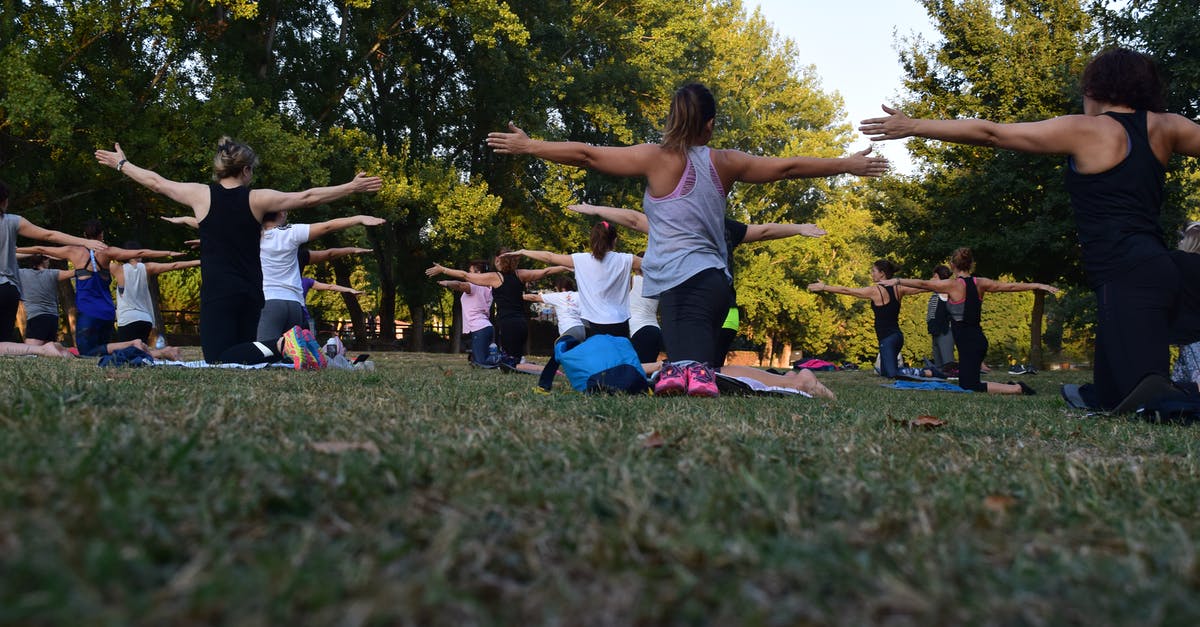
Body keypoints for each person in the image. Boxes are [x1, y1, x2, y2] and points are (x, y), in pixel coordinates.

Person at [488, 83, 887, 397]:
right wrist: (846, 165)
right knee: (689, 372)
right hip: (714, 285)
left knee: (693, 375)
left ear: (672, 119)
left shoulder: (656, 158)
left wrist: (530, 146)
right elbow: (787, 167)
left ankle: (795, 383)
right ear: (709, 124)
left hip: (686, 286)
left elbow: (588, 155)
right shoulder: (725, 162)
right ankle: (789, 382)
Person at [860, 47, 1200, 411]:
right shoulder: (1169, 126)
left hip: (1129, 280)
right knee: (1111, 395)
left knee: (1147, 401)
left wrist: (914, 126)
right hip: (1155, 272)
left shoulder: (1087, 129)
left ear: (1095, 89)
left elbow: (992, 133)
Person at [95, 138, 382, 361]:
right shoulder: (258, 199)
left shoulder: (200, 194)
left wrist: (123, 164)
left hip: (220, 292)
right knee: (247, 354)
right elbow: (307, 198)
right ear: (245, 170)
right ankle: (300, 349)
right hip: (252, 291)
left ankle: (284, 344)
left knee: (218, 357)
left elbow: (156, 183)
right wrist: (350, 187)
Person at [569, 202, 828, 365]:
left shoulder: (679, 226)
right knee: (710, 367)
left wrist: (597, 210)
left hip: (695, 308)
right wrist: (798, 227)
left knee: (693, 366)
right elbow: (764, 231)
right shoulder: (727, 227)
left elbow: (635, 220)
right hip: (729, 309)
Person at [880, 247, 1059, 395]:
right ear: (971, 264)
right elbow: (1010, 286)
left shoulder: (951, 285)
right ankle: (1011, 386)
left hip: (969, 342)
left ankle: (1018, 388)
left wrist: (896, 281)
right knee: (968, 381)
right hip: (975, 340)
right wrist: (1038, 285)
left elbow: (923, 284)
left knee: (969, 385)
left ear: (952, 265)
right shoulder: (981, 282)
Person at [19, 220, 184, 357]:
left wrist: (15, 250)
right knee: (103, 351)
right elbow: (139, 251)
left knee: (87, 352)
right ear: (101, 235)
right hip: (107, 312)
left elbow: (40, 249)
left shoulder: (73, 251)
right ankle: (160, 352)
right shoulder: (108, 252)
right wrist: (169, 252)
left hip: (88, 313)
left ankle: (133, 344)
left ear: (84, 236)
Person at [0, 181, 107, 342]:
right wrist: (84, 242)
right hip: (9, 290)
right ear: (4, 201)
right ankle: (49, 349)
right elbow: (49, 235)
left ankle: (45, 350)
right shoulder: (13, 221)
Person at [426, 250, 569, 365]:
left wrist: (443, 269)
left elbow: (465, 276)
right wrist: (566, 266)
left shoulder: (495, 278)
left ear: (499, 262)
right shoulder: (521, 274)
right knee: (516, 360)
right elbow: (545, 271)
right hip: (522, 324)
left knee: (509, 363)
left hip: (508, 324)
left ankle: (530, 368)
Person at [503, 221, 640, 338]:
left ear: (592, 240)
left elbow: (549, 257)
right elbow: (653, 265)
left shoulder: (580, 259)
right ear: (614, 240)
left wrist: (523, 251)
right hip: (620, 321)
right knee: (619, 361)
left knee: (599, 361)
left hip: (593, 323)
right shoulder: (627, 259)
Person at [808, 260, 923, 378]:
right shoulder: (899, 289)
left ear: (882, 273)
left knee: (891, 374)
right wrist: (937, 284)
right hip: (897, 337)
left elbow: (847, 291)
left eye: (874, 271)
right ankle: (911, 371)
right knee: (884, 373)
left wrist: (824, 287)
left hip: (887, 339)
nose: (871, 274)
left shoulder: (875, 291)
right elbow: (921, 287)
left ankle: (925, 372)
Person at [112, 242, 200, 354]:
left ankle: (166, 353)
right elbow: (175, 265)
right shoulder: (147, 267)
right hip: (145, 319)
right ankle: (166, 352)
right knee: (141, 354)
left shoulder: (117, 269)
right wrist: (200, 261)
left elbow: (101, 258)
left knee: (126, 356)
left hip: (127, 319)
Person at [437, 260, 501, 367]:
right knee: (476, 359)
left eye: (470, 272)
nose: (468, 274)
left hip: (479, 328)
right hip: (486, 327)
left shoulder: (474, 286)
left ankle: (502, 359)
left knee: (481, 363)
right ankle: (497, 357)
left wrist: (446, 283)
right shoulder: (489, 288)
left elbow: (459, 284)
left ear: (479, 273)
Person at [18, 254, 73, 348]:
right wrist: (62, 256)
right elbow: (77, 272)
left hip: (36, 317)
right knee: (48, 351)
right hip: (53, 318)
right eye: (48, 259)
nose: (49, 261)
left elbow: (7, 259)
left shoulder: (21, 273)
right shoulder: (53, 273)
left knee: (31, 351)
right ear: (44, 261)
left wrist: (30, 253)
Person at [925, 264, 956, 368]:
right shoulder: (936, 292)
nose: (932, 279)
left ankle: (952, 376)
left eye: (934, 277)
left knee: (947, 361)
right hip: (935, 330)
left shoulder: (945, 291)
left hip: (945, 330)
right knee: (938, 362)